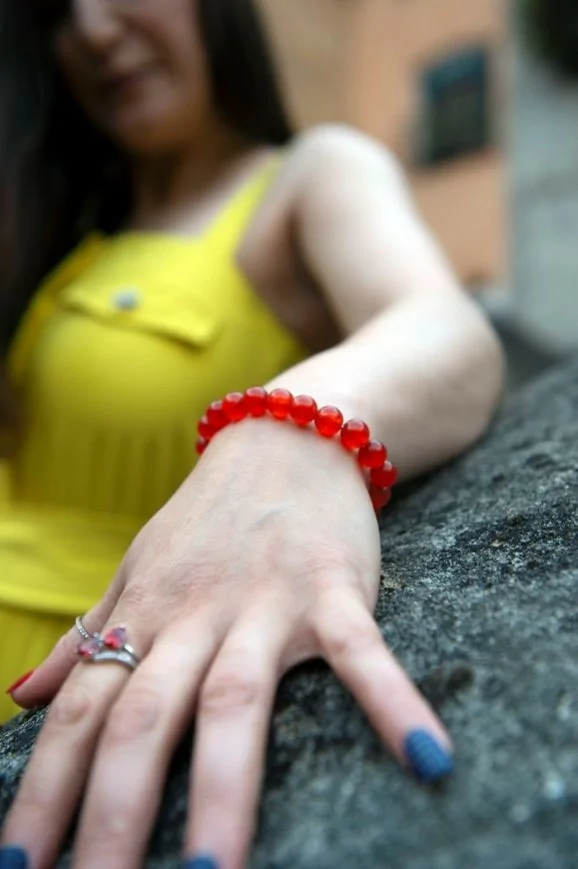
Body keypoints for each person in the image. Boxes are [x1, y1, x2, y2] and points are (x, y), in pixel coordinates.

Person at [0, 0, 504, 866]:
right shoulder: (72, 233)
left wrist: (279, 429)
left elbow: (443, 328)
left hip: (107, 685)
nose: (91, 29)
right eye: (58, 12)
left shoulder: (308, 176)